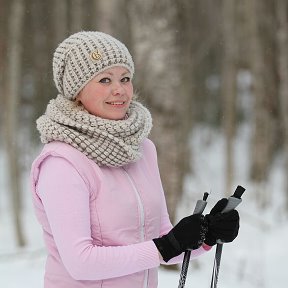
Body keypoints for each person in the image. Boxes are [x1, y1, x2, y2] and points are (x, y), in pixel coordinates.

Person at [30, 31, 240, 288]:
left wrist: (207, 234)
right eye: (104, 80)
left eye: (125, 78)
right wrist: (164, 247)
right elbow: (80, 261)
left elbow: (162, 239)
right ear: (77, 92)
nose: (119, 90)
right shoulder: (62, 163)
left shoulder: (142, 150)